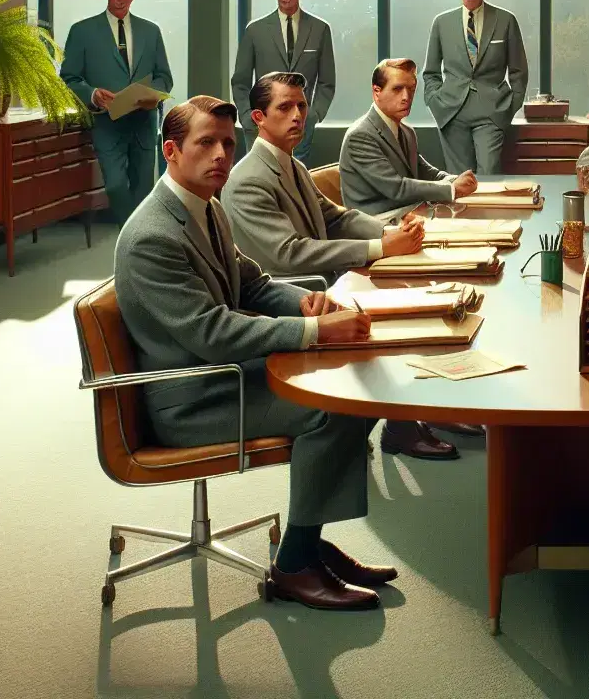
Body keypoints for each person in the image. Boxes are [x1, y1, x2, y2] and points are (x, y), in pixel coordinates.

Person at [113, 94, 394, 612]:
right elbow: (211, 332)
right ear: (171, 150)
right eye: (206, 143)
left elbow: (254, 284)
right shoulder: (153, 236)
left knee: (356, 384)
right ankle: (294, 567)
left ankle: (308, 542)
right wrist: (313, 332)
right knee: (333, 407)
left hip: (221, 375)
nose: (222, 154)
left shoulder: (206, 206)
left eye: (227, 142)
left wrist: (309, 304)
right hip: (190, 400)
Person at [222, 71, 464, 461]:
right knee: (389, 308)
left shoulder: (293, 165)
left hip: (323, 280)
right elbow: (288, 254)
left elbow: (336, 218)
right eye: (285, 107)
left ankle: (420, 410)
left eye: (301, 105)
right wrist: (379, 247)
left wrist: (391, 232)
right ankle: (398, 425)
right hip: (292, 292)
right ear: (258, 119)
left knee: (411, 292)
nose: (298, 115)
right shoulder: (248, 179)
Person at [59, 0, 174, 224]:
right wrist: (92, 94)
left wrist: (153, 94)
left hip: (143, 123)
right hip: (107, 123)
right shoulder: (82, 32)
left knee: (145, 191)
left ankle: (140, 239)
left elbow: (164, 77)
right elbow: (68, 78)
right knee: (115, 186)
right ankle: (131, 231)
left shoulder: (150, 31)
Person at [422, 0, 530, 175]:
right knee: (459, 181)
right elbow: (431, 72)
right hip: (452, 111)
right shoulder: (441, 23)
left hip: (491, 112)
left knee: (489, 175)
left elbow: (519, 70)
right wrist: (435, 102)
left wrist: (509, 107)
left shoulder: (505, 20)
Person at [342, 58, 477, 215]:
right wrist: (452, 188)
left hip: (409, 214)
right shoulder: (360, 136)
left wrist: (456, 180)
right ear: (376, 92)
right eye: (397, 89)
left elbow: (427, 172)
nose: (406, 97)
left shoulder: (407, 132)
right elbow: (397, 188)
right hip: (379, 224)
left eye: (411, 89)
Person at [230, 0, 336, 164]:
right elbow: (240, 81)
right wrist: (247, 118)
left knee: (296, 182)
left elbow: (327, 81)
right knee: (260, 181)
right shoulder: (255, 31)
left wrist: (312, 116)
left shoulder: (320, 30)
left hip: (300, 124)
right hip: (261, 126)